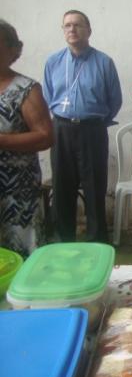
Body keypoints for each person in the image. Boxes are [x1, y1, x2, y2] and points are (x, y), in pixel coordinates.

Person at [43, 10, 122, 243]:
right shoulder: (53, 61)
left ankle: (97, 240)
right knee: (62, 185)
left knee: (94, 185)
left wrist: (94, 120)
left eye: (77, 25)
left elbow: (114, 100)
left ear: (89, 30)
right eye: (67, 25)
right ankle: (62, 240)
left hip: (92, 130)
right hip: (61, 130)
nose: (72, 29)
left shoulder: (104, 62)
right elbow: (48, 95)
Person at [0, 20, 53, 256]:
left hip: (16, 190)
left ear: (13, 50)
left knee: (19, 250)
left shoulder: (25, 88)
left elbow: (45, 137)